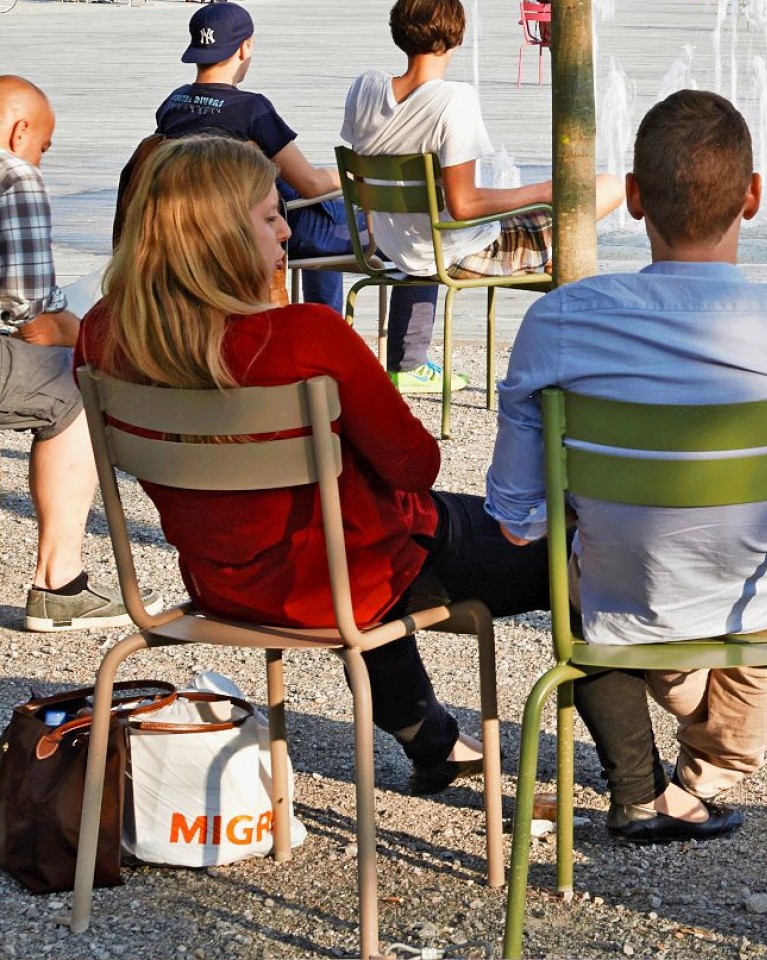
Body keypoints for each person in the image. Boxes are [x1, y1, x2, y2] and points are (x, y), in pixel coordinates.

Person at [487, 91, 767, 842]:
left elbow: (519, 519)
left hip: (621, 597)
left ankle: (685, 768)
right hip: (765, 605)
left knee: (588, 563)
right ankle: (701, 778)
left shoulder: (560, 322)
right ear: (754, 196)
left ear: (634, 200)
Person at [79, 136, 547, 792]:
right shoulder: (305, 337)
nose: (286, 227)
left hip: (227, 585)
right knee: (566, 549)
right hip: (347, 580)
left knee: (361, 528)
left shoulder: (104, 332)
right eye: (270, 215)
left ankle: (433, 740)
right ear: (218, 237)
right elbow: (417, 467)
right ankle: (644, 776)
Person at [342, 0, 627, 392]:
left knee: (441, 220)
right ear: (456, 35)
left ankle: (406, 364)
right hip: (453, 252)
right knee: (609, 187)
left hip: (389, 242)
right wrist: (543, 191)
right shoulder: (453, 100)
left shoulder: (365, 86)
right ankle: (576, 359)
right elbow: (464, 204)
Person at [0, 77, 133, 632]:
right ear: (19, 129)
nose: (41, 162)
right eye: (43, 148)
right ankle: (60, 584)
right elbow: (29, 313)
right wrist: (91, 334)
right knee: (79, 388)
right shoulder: (15, 177)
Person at [150, 3, 350, 309]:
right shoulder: (251, 110)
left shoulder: (172, 105)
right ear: (245, 47)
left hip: (198, 225)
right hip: (260, 226)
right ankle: (327, 327)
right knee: (348, 216)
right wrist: (355, 175)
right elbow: (310, 183)